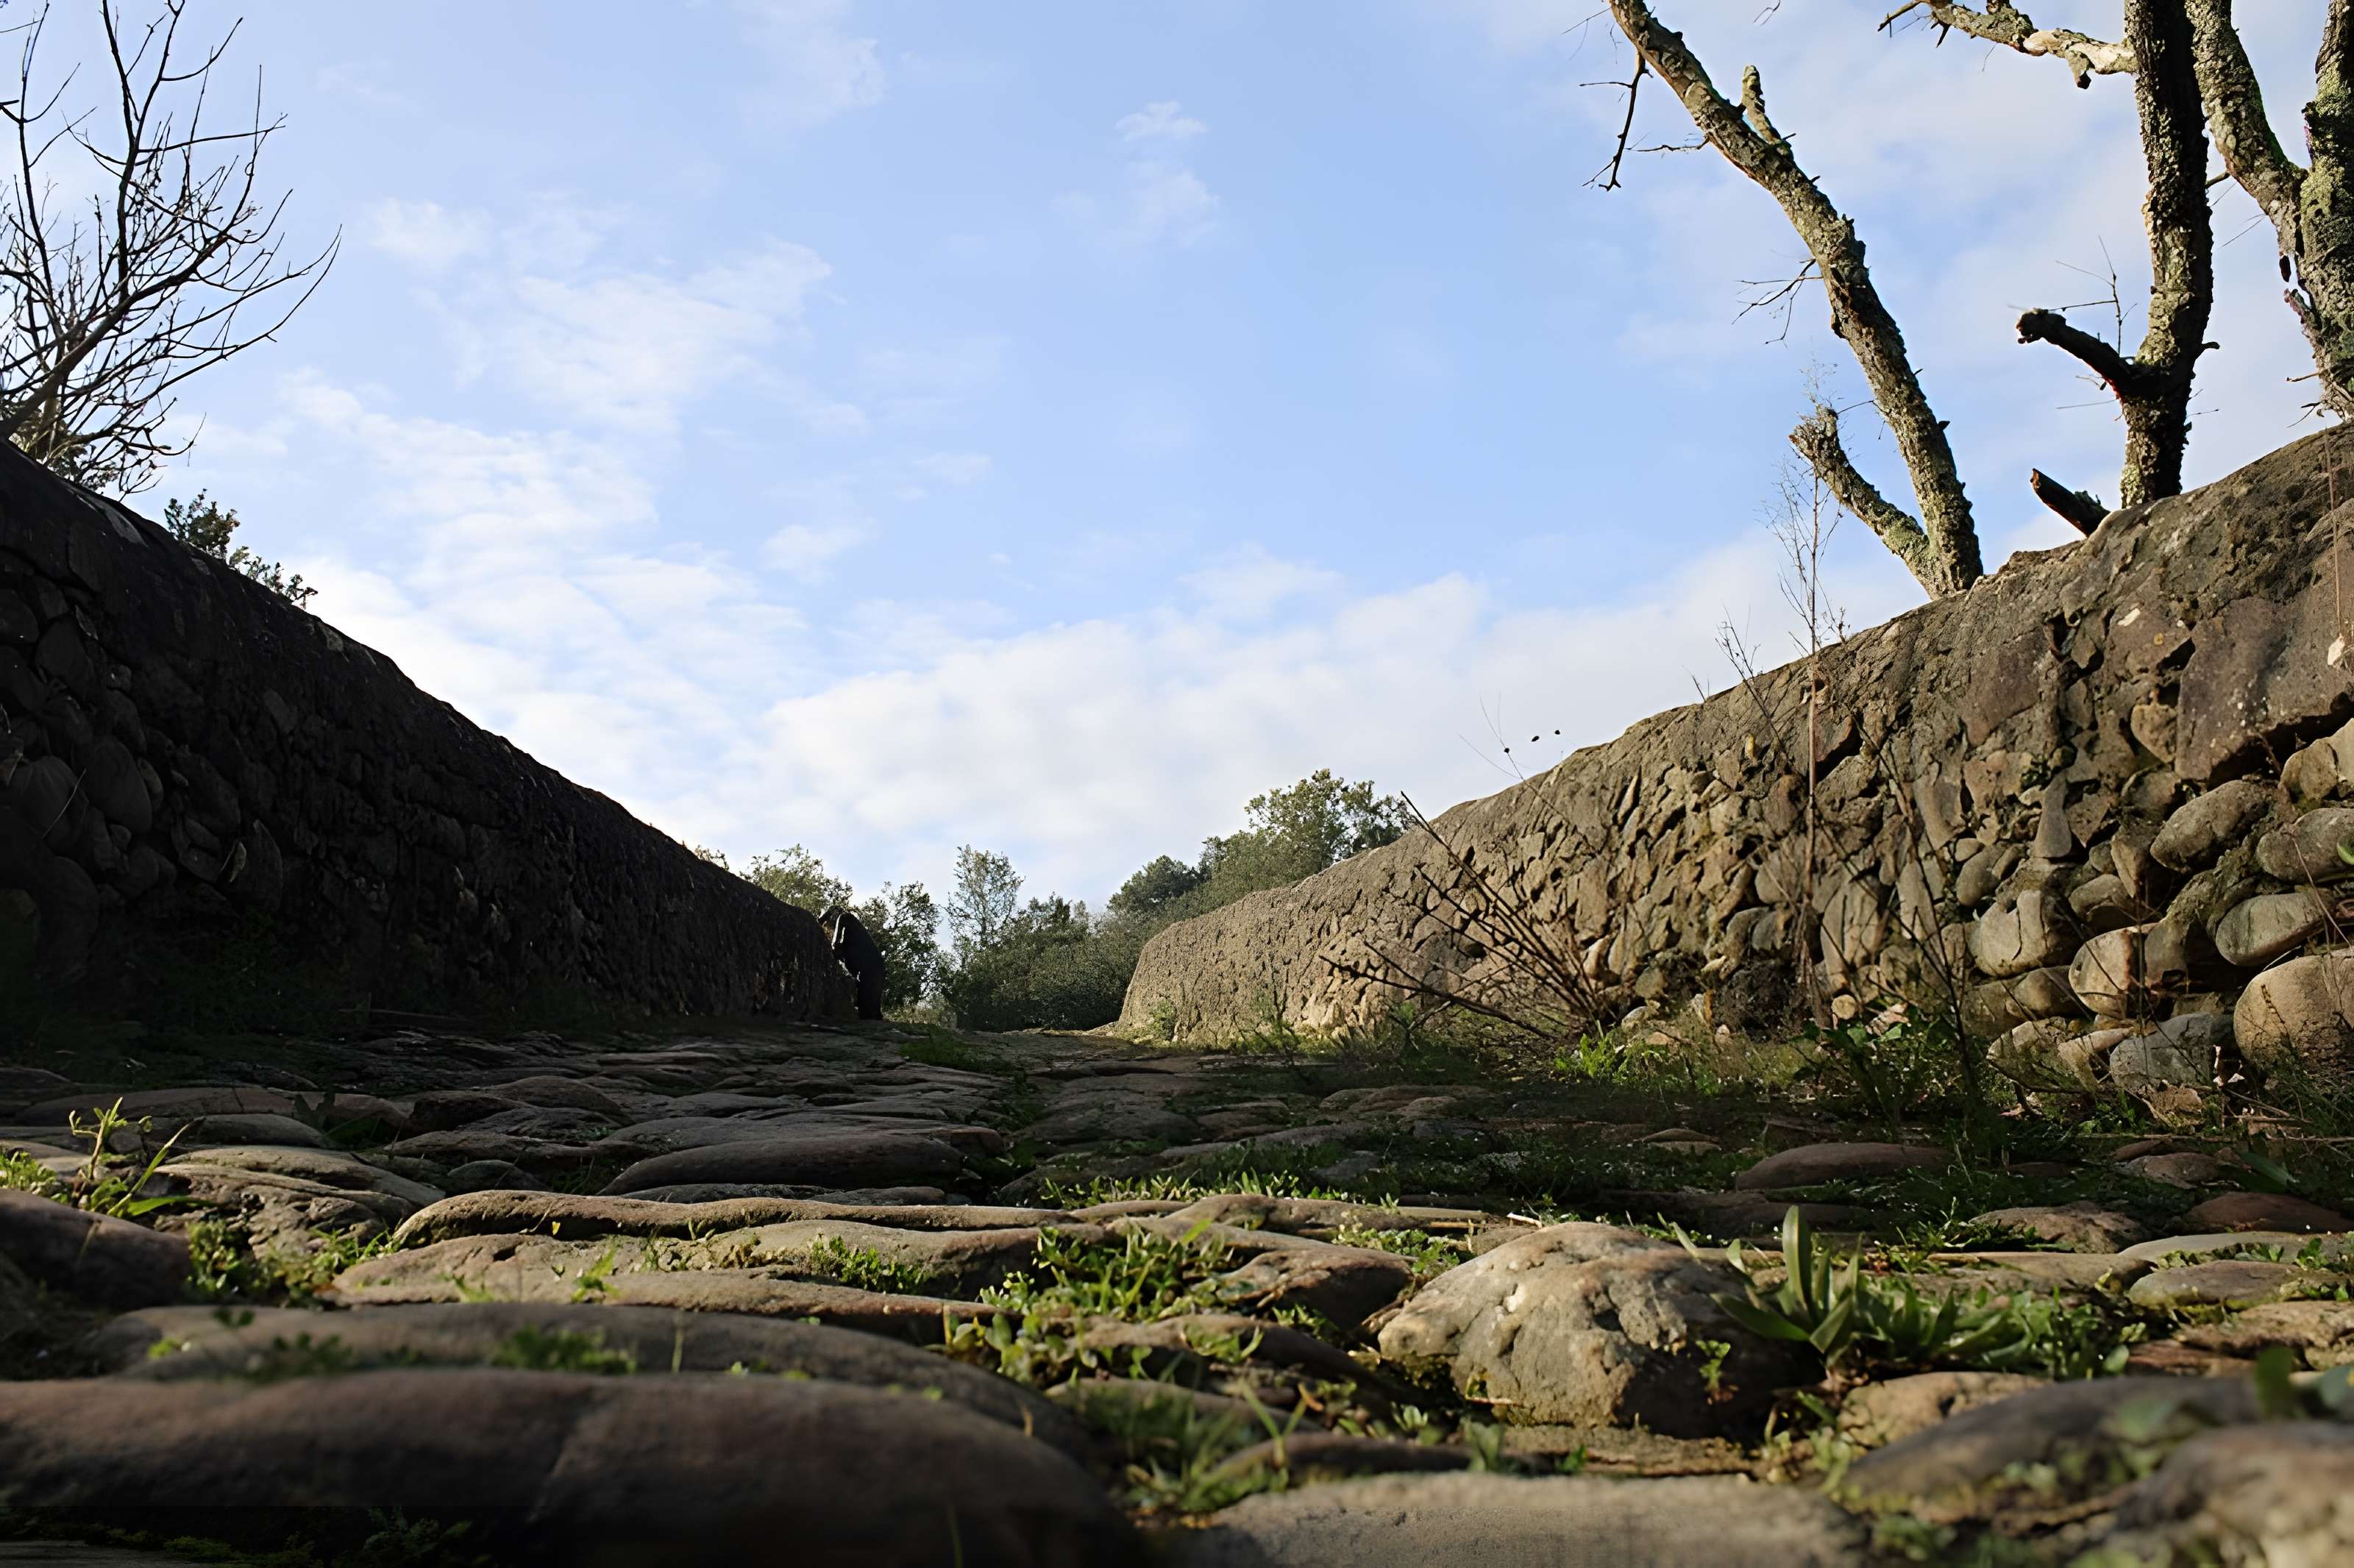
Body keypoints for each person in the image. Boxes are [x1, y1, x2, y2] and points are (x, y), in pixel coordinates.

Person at [822, 904, 886, 1021]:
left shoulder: (845, 918)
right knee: (869, 1010)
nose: (829, 929)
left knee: (868, 1009)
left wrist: (831, 950)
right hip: (872, 969)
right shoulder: (853, 931)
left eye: (828, 925)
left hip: (869, 969)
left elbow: (836, 947)